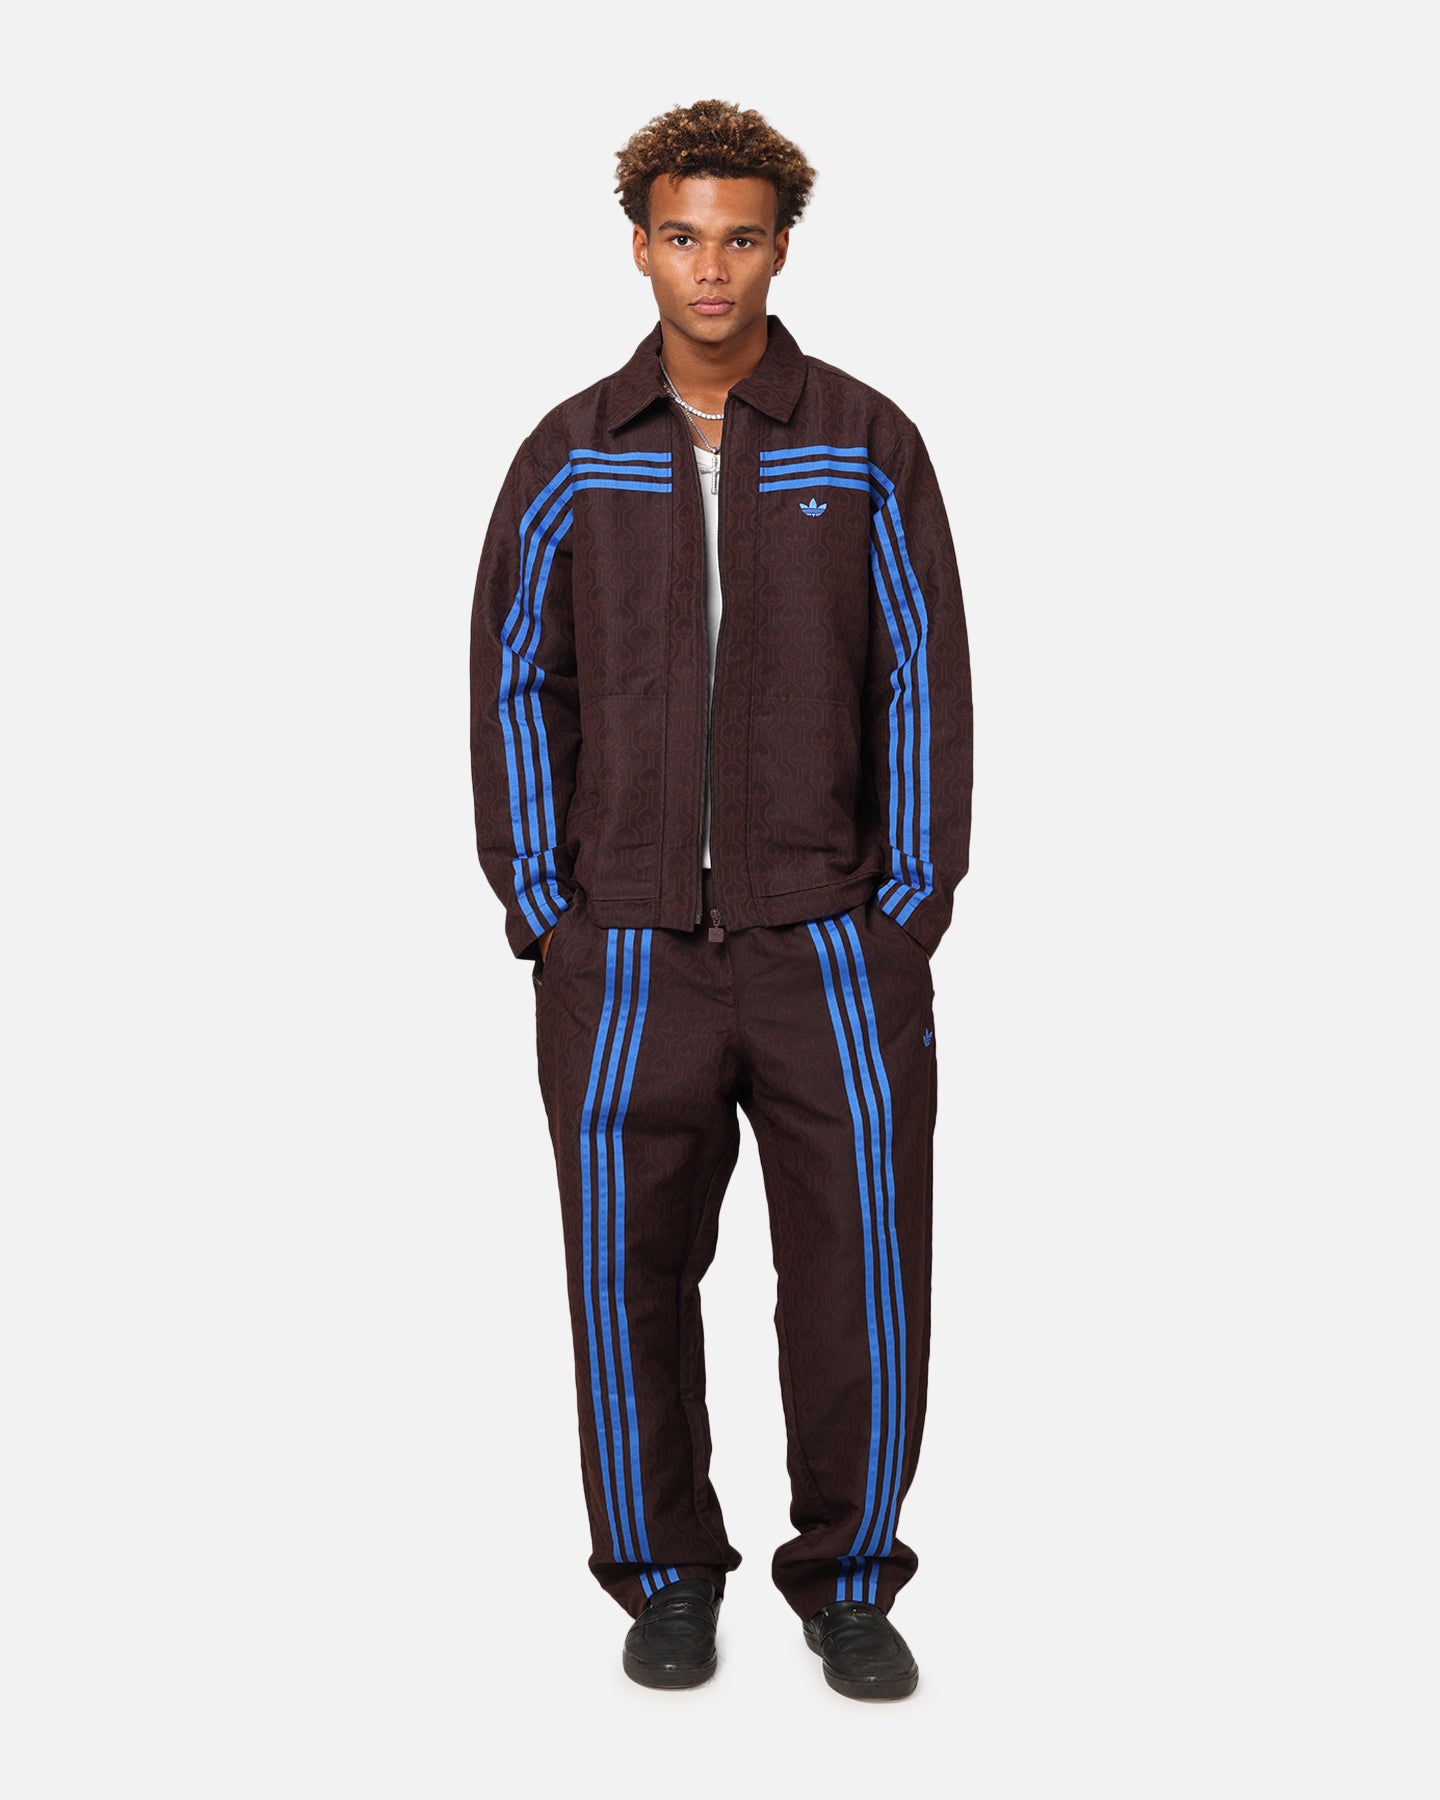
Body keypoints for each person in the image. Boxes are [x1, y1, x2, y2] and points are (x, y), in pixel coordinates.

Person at [469, 98, 972, 1701]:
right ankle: (667, 1577)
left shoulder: (863, 442)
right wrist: (549, 907)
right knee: (625, 1276)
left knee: (861, 1273)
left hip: (829, 943)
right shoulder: (571, 451)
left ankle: (850, 1582)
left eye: (740, 238)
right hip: (624, 952)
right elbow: (516, 682)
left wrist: (900, 910)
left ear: (779, 249)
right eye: (682, 236)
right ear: (640, 247)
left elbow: (921, 680)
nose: (711, 268)